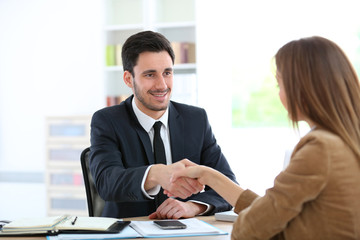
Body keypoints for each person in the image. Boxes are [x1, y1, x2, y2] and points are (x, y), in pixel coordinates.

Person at [169, 36, 360, 239]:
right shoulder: (344, 140)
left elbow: (250, 229)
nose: (280, 95)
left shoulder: (320, 148)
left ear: (302, 87)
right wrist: (209, 176)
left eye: (280, 85)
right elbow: (270, 210)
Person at [89, 30, 237, 219]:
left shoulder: (196, 119)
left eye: (167, 73)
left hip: (186, 233)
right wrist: (156, 174)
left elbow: (228, 186)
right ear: (128, 79)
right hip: (128, 232)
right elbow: (106, 183)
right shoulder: (108, 121)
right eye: (150, 75)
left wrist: (193, 207)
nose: (162, 85)